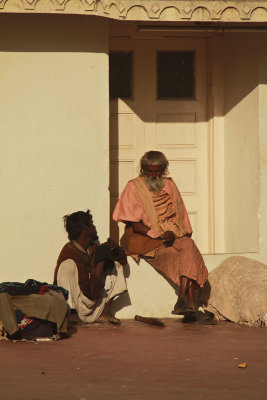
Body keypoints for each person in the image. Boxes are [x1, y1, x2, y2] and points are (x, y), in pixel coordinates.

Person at [113, 151, 208, 316]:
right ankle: (189, 299)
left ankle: (182, 298)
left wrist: (172, 233)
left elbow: (179, 213)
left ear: (163, 169)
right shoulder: (134, 186)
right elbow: (131, 221)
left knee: (188, 244)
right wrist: (152, 232)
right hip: (144, 237)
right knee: (177, 255)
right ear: (143, 169)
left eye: (157, 171)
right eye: (150, 171)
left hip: (170, 232)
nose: (153, 174)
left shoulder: (169, 184)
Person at [54, 210, 127, 325]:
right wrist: (99, 265)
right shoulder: (69, 252)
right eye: (91, 224)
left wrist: (114, 249)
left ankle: (105, 313)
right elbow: (89, 291)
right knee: (67, 266)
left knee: (115, 266)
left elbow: (122, 261)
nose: (94, 227)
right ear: (85, 228)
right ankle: (71, 316)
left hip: (94, 304)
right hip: (78, 306)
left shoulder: (92, 248)